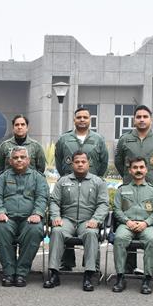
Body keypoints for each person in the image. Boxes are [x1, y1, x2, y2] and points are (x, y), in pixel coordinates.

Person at [114, 105, 153, 274]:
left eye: (145, 116)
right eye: (138, 116)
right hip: (129, 189)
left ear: (151, 119)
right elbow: (119, 162)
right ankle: (128, 267)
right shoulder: (125, 139)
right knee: (128, 223)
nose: (141, 119)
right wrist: (128, 176)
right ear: (134, 119)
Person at [54, 107, 110, 271]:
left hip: (91, 186)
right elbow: (59, 162)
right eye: (79, 117)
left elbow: (104, 162)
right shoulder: (64, 138)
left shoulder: (98, 139)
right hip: (69, 185)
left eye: (85, 117)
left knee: (91, 225)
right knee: (66, 220)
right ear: (74, 119)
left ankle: (92, 266)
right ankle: (67, 262)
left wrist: (95, 179)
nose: (82, 120)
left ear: (90, 119)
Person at [44, 152, 108, 291]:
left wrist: (96, 220)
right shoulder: (63, 181)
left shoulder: (98, 182)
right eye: (77, 161)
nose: (80, 164)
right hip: (67, 219)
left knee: (91, 233)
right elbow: (54, 201)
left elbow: (103, 204)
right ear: (72, 164)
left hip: (87, 220)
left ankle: (89, 275)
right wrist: (55, 217)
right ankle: (54, 274)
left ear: (88, 163)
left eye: (83, 161)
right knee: (57, 231)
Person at [0, 146, 48, 287]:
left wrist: (37, 213)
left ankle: (21, 273)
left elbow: (42, 197)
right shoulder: (2, 177)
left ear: (28, 160)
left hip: (29, 218)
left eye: (22, 157)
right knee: (0, 229)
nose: (19, 160)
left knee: (35, 230)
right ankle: (9, 272)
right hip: (7, 218)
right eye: (16, 158)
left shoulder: (38, 178)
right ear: (10, 161)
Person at [111, 157, 153, 294]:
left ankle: (147, 279)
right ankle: (121, 277)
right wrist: (127, 221)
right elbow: (116, 209)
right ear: (130, 170)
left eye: (141, 167)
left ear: (146, 170)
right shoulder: (122, 190)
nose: (138, 170)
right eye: (135, 168)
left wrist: (146, 223)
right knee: (120, 239)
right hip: (126, 224)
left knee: (152, 240)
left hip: (147, 225)